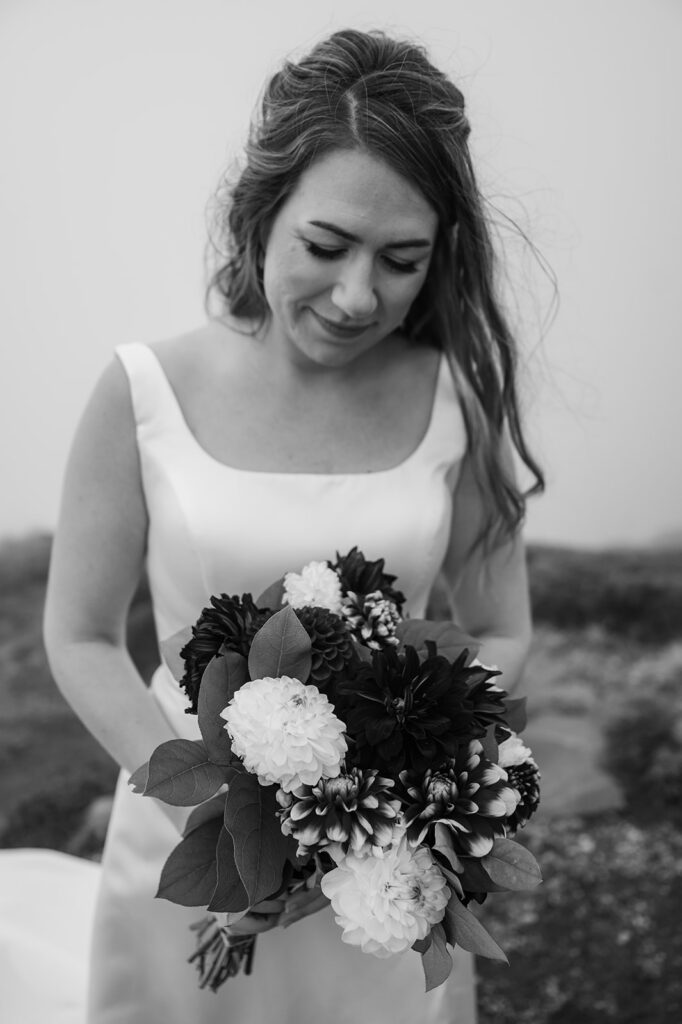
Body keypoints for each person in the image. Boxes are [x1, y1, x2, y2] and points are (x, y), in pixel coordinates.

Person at [43, 27, 544, 1024]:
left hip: (386, 860)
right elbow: (82, 633)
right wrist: (209, 812)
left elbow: (501, 623)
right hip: (190, 837)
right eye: (325, 246)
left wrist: (416, 779)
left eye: (401, 260)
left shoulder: (456, 399)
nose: (358, 295)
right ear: (260, 212)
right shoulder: (144, 389)